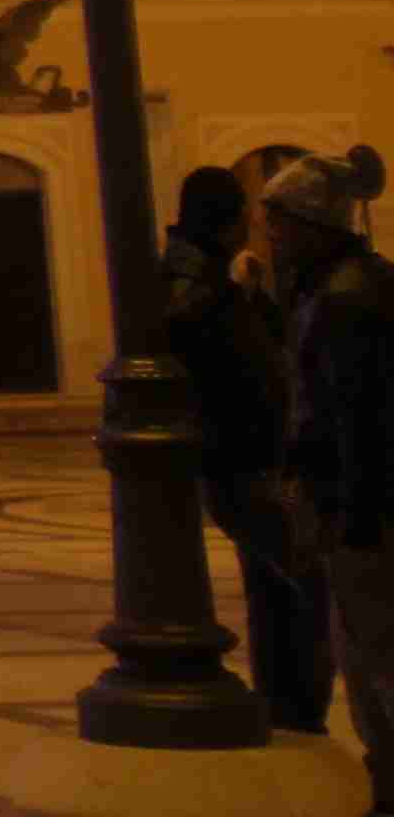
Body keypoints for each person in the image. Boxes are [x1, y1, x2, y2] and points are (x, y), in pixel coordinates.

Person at [164, 165, 325, 734]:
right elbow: (200, 341)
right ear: (229, 222)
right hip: (240, 458)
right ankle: (298, 710)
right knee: (302, 581)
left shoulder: (209, 277)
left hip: (245, 456)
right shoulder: (194, 281)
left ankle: (285, 707)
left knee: (273, 587)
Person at [266, 146, 394, 797]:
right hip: (358, 503)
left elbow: (354, 418)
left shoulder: (346, 302)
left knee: (376, 653)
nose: (273, 237)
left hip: (364, 510)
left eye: (282, 223)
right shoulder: (349, 285)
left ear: (315, 226)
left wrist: (351, 516)